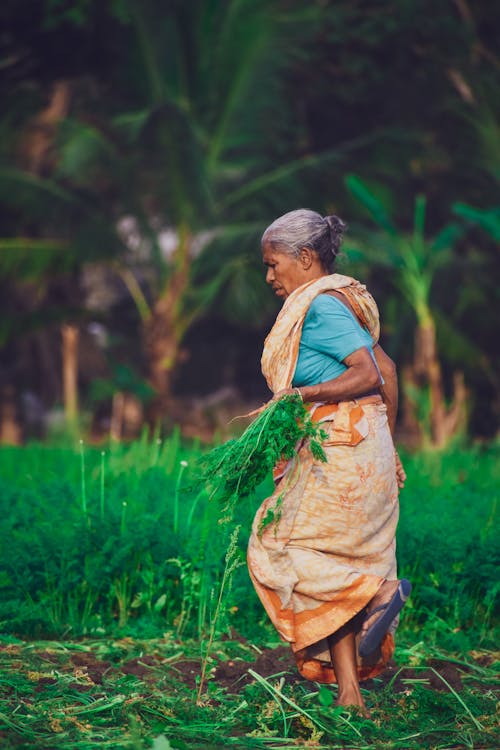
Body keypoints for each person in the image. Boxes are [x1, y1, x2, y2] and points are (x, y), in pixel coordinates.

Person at [247, 208, 411, 714]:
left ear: (305, 257)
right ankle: (350, 695)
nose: (270, 276)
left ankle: (379, 593)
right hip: (359, 445)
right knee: (334, 562)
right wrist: (387, 441)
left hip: (340, 447)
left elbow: (367, 374)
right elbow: (388, 368)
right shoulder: (340, 304)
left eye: (274, 265)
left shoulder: (320, 308)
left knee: (277, 544)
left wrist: (301, 395)